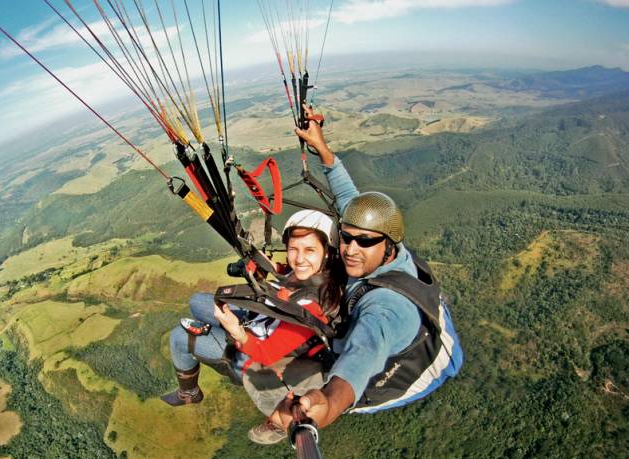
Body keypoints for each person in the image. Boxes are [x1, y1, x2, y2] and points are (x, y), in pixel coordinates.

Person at [261, 104, 463, 437]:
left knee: (298, 364)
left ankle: (283, 416)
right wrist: (323, 151)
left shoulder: (383, 310)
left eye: (364, 242)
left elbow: (362, 355)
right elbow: (351, 202)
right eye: (347, 237)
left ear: (387, 245)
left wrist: (330, 403)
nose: (351, 249)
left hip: (400, 377)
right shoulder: (384, 246)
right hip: (391, 324)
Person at [161, 210, 345, 440]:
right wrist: (260, 265)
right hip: (263, 323)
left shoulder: (313, 307)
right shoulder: (311, 274)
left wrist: (236, 330)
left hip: (257, 356)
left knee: (179, 337)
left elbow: (266, 353)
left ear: (326, 253)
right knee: (197, 302)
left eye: (309, 250)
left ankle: (189, 392)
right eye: (293, 249)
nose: (299, 258)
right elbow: (284, 274)